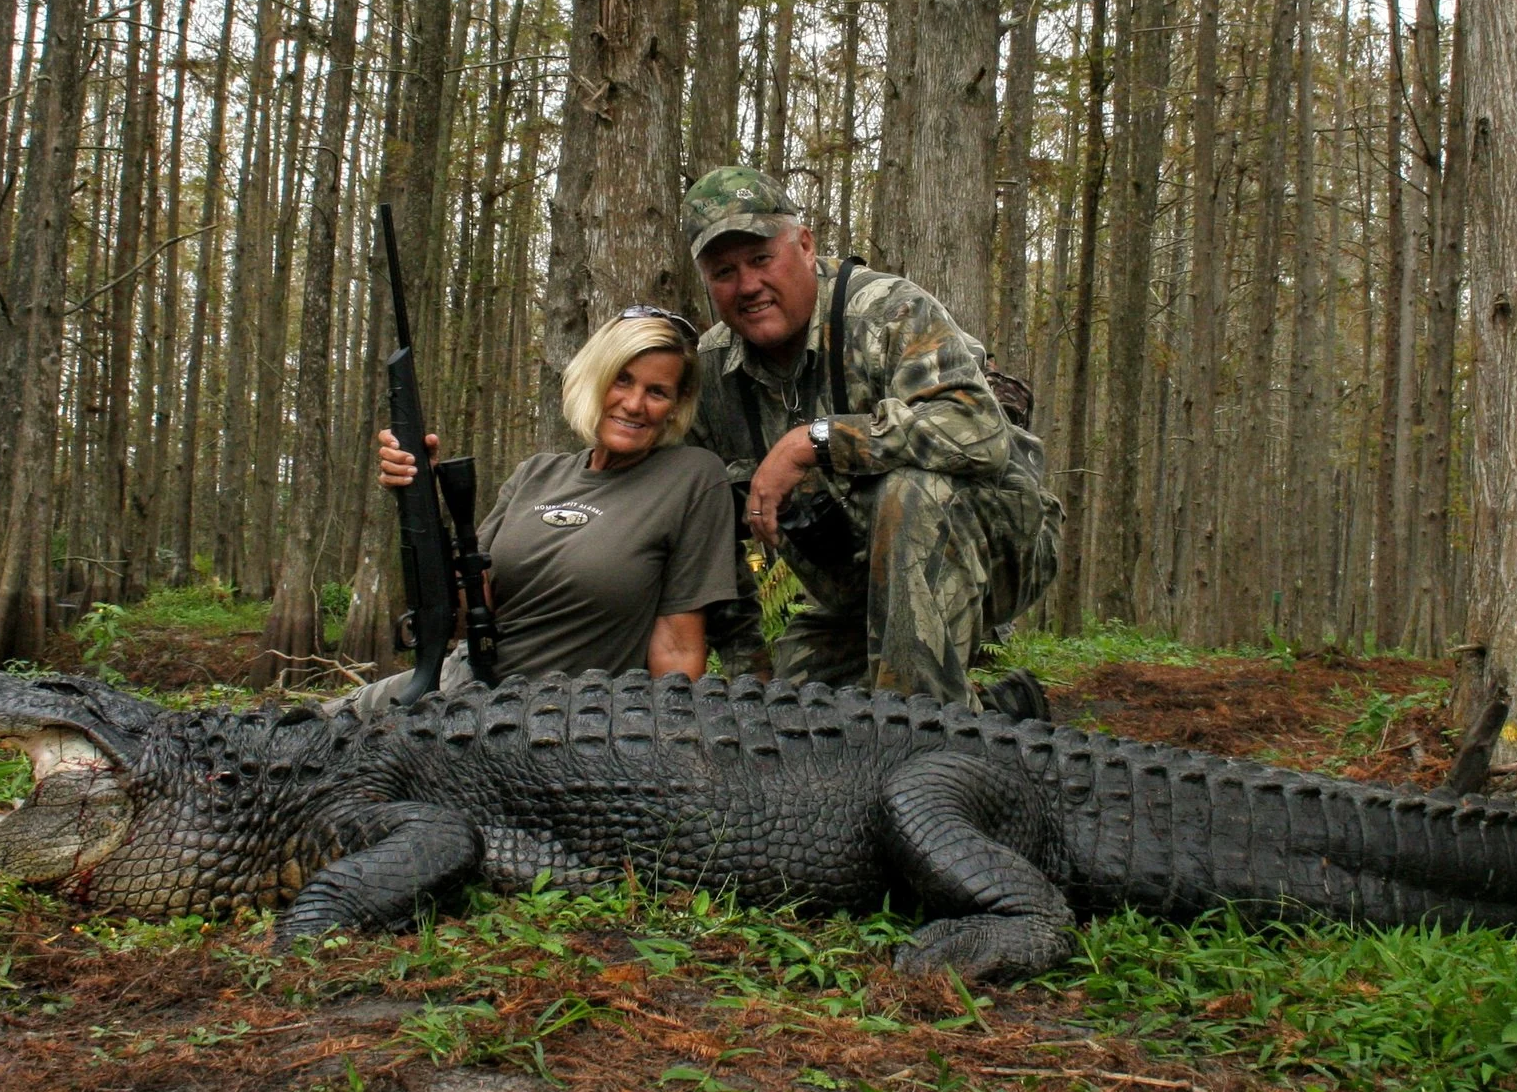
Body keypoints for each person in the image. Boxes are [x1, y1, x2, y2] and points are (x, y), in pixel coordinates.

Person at [680, 166, 1063, 706]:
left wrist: (813, 441)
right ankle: (1003, 714)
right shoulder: (713, 376)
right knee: (788, 714)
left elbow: (977, 428)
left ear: (805, 246)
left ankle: (923, 748)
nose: (747, 285)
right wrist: (749, 667)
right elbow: (701, 531)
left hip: (997, 544)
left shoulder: (887, 311)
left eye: (762, 259)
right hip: (858, 587)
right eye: (724, 272)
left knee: (911, 491)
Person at [367, 309, 735, 697]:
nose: (633, 404)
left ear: (677, 405)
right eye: (621, 380)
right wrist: (418, 496)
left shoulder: (691, 478)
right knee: (308, 732)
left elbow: (677, 650)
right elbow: (465, 616)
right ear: (596, 379)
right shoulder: (535, 474)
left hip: (571, 719)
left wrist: (665, 743)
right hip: (465, 689)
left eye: (656, 392)